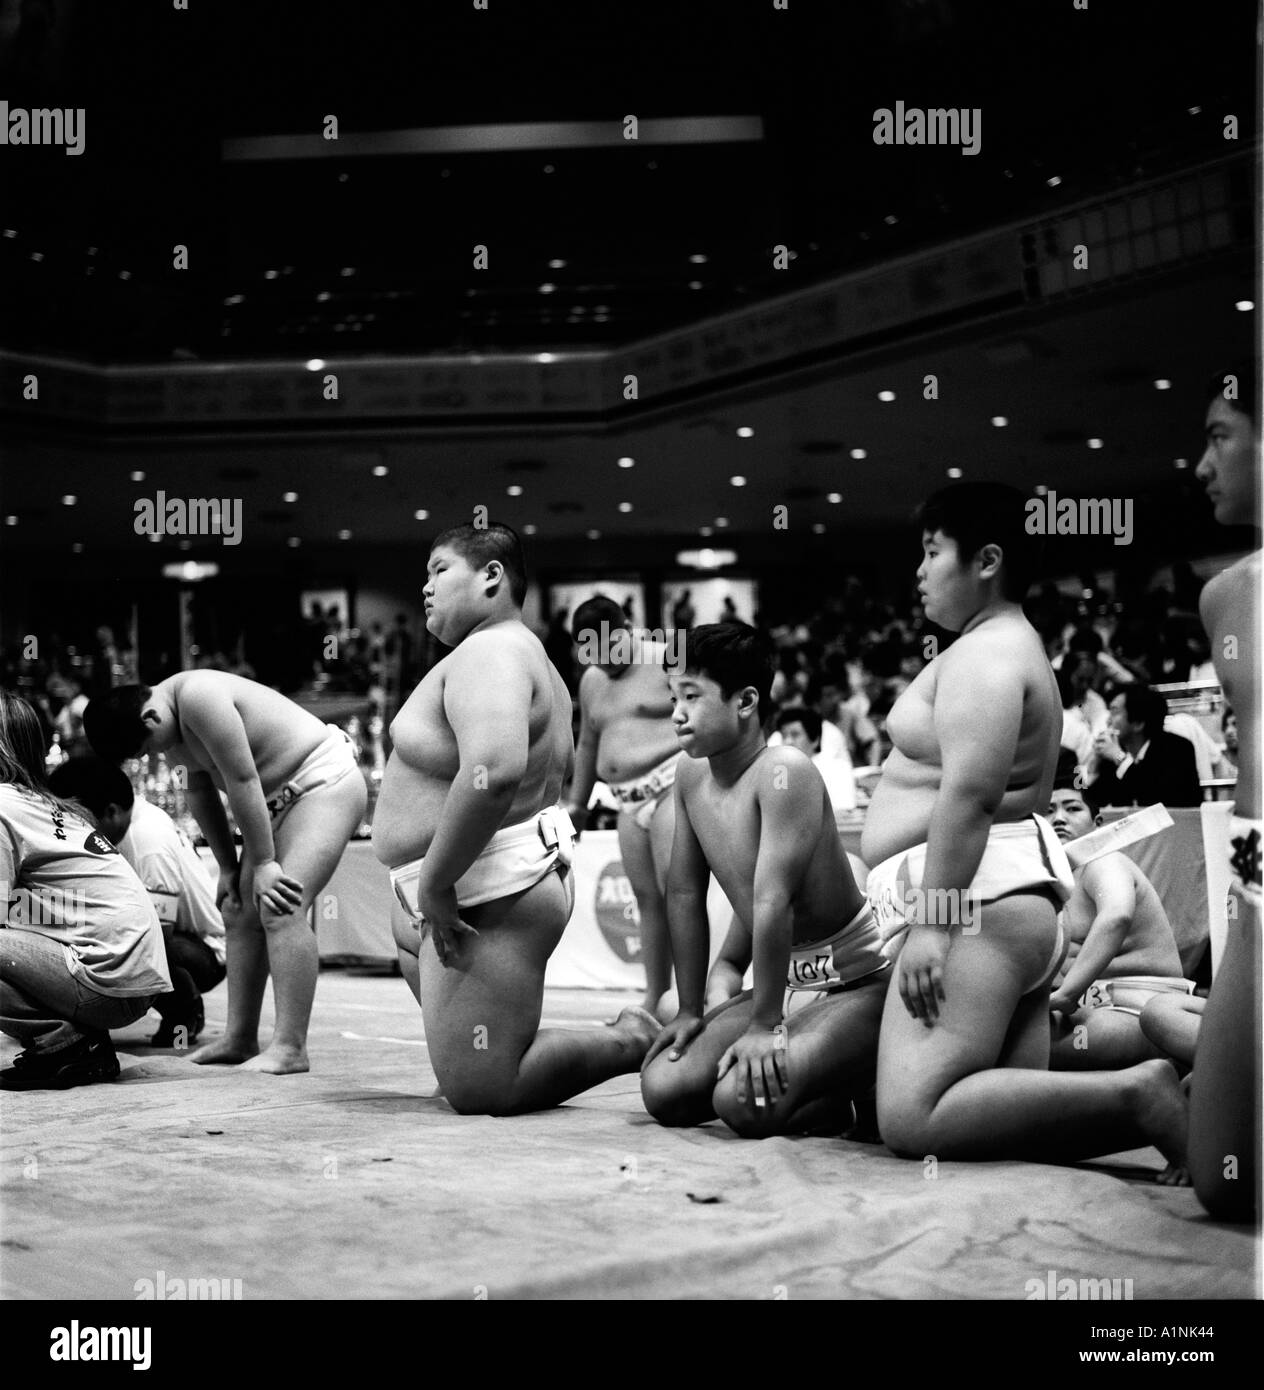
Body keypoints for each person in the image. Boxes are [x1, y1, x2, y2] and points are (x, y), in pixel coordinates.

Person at [862, 483, 1188, 1169]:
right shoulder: (1004, 646)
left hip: (980, 903)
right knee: (1007, 1111)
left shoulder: (987, 654)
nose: (918, 572)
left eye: (931, 553)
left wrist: (932, 924)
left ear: (985, 560)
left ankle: (1137, 1093)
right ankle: (1136, 1101)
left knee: (912, 1114)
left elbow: (972, 796)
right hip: (1008, 901)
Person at [371, 523, 659, 1115]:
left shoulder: (494, 650)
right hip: (473, 882)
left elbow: (495, 772)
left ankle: (632, 1038)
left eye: (439, 570)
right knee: (464, 1058)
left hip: (483, 888)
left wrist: (436, 881)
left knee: (486, 1089)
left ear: (492, 577)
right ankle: (469, 1047)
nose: (424, 587)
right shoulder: (526, 657)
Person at [641, 625, 888, 1136]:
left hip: (854, 984)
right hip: (784, 984)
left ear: (746, 701)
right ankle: (826, 1088)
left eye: (692, 696)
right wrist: (689, 1008)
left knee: (738, 1102)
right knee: (663, 1090)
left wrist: (764, 1025)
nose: (677, 713)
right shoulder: (690, 777)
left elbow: (774, 901)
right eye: (673, 697)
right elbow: (684, 892)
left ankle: (858, 1080)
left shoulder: (785, 771)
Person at [83, 672, 366, 1074]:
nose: (149, 757)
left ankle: (290, 1047)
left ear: (150, 718)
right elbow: (200, 793)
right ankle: (239, 1037)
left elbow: (242, 778)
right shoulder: (172, 727)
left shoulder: (200, 697)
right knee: (237, 909)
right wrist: (229, 868)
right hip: (276, 803)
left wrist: (266, 864)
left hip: (322, 781)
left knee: (280, 906)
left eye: (145, 750)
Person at [0, 692, 170, 1089]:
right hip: (132, 980)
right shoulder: (43, 803)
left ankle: (64, 1045)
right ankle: (76, 1046)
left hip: (107, 979)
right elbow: (29, 910)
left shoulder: (2, 806)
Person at [1185, 363, 1261, 1219]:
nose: (1202, 467)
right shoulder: (1224, 599)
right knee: (1224, 1174)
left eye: (1218, 436)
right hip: (1258, 866)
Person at [48, 757, 226, 1049]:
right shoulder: (131, 820)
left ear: (111, 812)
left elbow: (159, 935)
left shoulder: (148, 840)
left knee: (135, 943)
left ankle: (184, 1009)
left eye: (78, 821)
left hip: (203, 950)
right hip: (178, 938)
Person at [566, 595, 680, 1018]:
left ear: (627, 627)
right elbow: (588, 741)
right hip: (625, 799)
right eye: (592, 655)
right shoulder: (592, 680)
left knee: (677, 893)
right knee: (646, 898)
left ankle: (690, 999)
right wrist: (577, 804)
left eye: (610, 650)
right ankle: (655, 997)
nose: (604, 662)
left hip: (672, 783)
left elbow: (706, 709)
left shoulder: (670, 655)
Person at [1045, 780, 1192, 1070]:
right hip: (1088, 1010)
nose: (1059, 818)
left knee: (1027, 1045)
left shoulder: (1104, 862)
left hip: (1142, 1015)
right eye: (1048, 812)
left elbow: (1116, 917)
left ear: (1097, 824)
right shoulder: (1050, 884)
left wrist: (1066, 994)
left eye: (1073, 808)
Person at [1088, 686, 1202, 808]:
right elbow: (1090, 804)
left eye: (1114, 712)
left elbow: (1158, 800)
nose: (1108, 720)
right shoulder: (1112, 755)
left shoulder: (1177, 749)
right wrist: (1093, 769)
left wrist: (1121, 759)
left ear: (1138, 723)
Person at [772, 705, 857, 811]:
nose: (788, 741)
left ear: (815, 740)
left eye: (795, 735)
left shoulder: (838, 769)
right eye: (784, 736)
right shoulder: (777, 772)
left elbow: (845, 808)